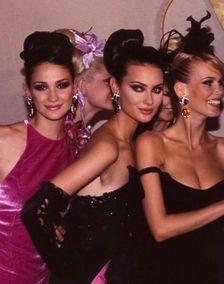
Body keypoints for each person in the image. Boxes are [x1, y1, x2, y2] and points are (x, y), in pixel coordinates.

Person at [21, 28, 165, 283]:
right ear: (115, 86)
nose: (149, 100)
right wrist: (69, 270)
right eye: (138, 88)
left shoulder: (128, 140)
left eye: (156, 90)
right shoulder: (107, 146)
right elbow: (36, 210)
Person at [136, 12, 224, 284]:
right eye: (208, 83)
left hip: (216, 273)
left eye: (221, 83)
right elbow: (160, 228)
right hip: (162, 273)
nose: (219, 91)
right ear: (181, 90)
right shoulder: (152, 143)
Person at [0, 31, 76, 283]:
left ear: (75, 87)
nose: (53, 97)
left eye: (62, 85)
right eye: (41, 87)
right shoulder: (5, 140)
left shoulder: (78, 149)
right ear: (28, 91)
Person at [55, 28, 114, 157]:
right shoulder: (59, 135)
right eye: (107, 81)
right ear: (82, 86)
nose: (115, 87)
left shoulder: (82, 134)